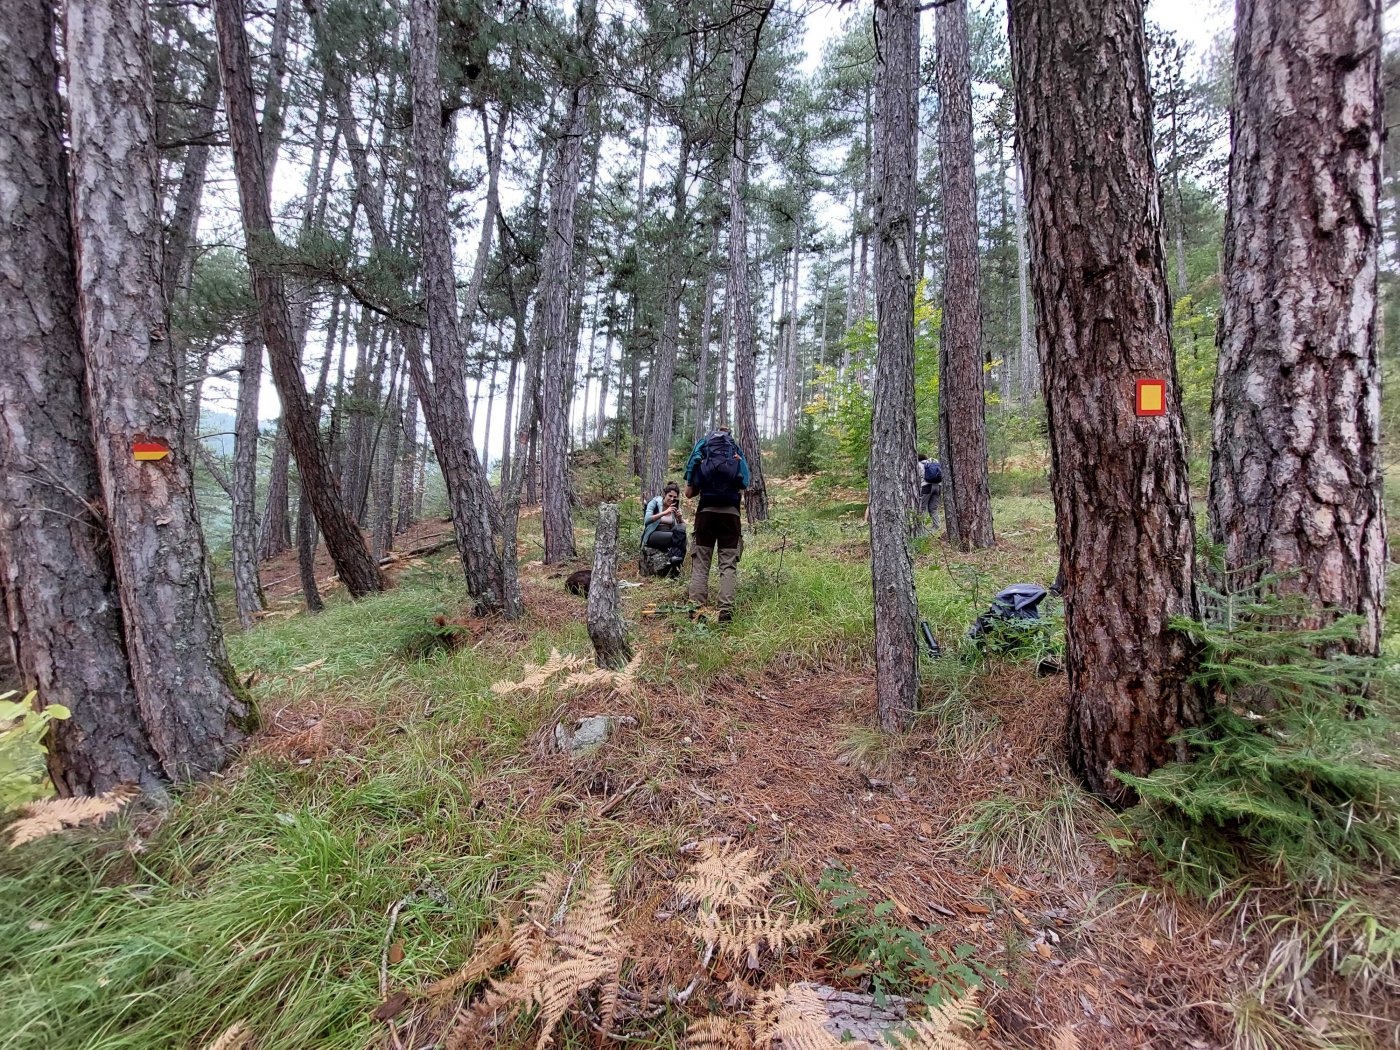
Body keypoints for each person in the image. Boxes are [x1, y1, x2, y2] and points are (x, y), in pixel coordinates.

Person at [684, 426, 750, 622]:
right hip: (731, 516)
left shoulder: (703, 451)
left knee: (701, 564)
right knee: (728, 565)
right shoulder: (736, 453)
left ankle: (696, 612)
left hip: (705, 515)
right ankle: (725, 612)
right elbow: (742, 488)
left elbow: (688, 494)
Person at [641, 481, 687, 575]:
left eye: (674, 497)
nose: (672, 499)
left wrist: (680, 518)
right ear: (664, 494)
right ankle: (674, 565)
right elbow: (647, 520)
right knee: (679, 539)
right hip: (653, 534)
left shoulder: (675, 507)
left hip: (669, 534)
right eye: (670, 496)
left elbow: (683, 527)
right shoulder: (654, 503)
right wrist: (664, 513)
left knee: (682, 534)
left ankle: (675, 564)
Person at [917, 452, 943, 530]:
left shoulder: (919, 465)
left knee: (922, 508)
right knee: (933, 509)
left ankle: (921, 528)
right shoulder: (933, 463)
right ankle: (936, 528)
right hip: (938, 487)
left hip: (926, 487)